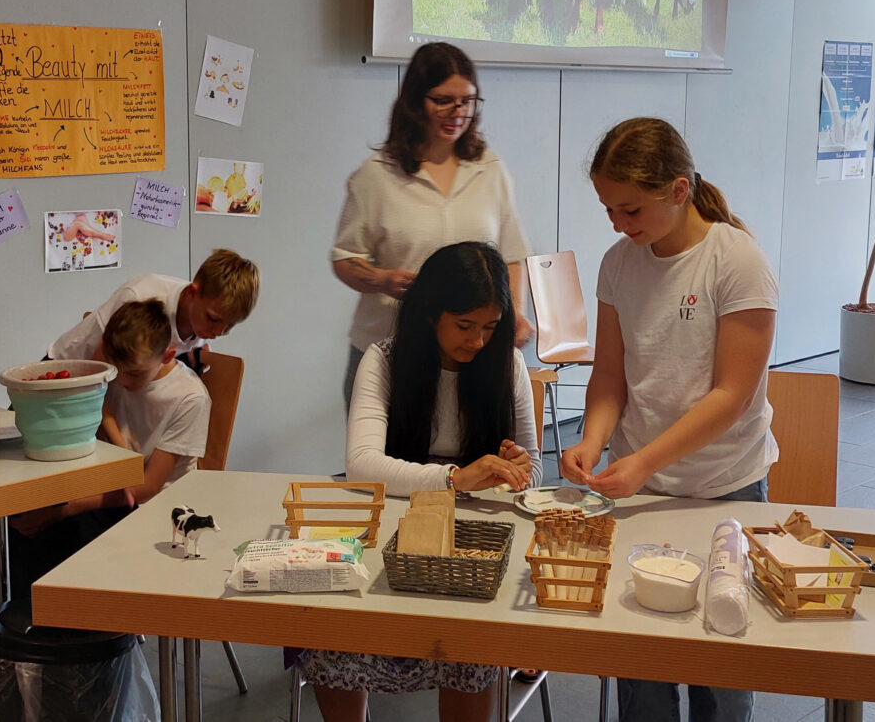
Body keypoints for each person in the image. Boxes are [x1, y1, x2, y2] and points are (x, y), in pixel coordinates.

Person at [560, 117, 779, 722]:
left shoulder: (736, 261)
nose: (618, 224)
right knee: (645, 669)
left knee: (722, 662)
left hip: (725, 487)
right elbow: (610, 376)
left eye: (630, 210)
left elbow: (731, 396)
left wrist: (642, 461)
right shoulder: (619, 263)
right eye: (608, 209)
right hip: (644, 491)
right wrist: (595, 440)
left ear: (679, 191)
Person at [302, 242, 544, 722]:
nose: (477, 342)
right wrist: (455, 478)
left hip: (473, 548)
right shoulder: (386, 359)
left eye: (490, 328)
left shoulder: (505, 363)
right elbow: (363, 464)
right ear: (431, 314)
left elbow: (535, 467)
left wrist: (515, 467)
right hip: (393, 532)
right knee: (337, 638)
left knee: (474, 646)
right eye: (464, 326)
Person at [331, 42, 533, 415]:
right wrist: (382, 279)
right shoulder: (376, 175)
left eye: (468, 102)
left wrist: (514, 313)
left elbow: (512, 256)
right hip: (390, 350)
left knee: (472, 463)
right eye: (443, 100)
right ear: (414, 101)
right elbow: (345, 258)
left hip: (470, 355)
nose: (457, 113)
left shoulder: (490, 170)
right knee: (389, 466)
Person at [8, 299, 211, 593]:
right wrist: (117, 445)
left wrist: (62, 510)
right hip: (110, 486)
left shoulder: (189, 398)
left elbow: (145, 489)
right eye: (117, 370)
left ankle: (76, 624)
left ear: (168, 356)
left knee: (49, 536)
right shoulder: (118, 371)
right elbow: (116, 447)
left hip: (154, 511)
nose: (123, 380)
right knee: (1, 521)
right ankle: (43, 618)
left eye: (134, 374)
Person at [49, 247, 259, 366]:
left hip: (115, 386)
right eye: (213, 319)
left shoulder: (205, 315)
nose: (218, 332)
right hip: (65, 370)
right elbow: (100, 368)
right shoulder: (139, 297)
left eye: (230, 327)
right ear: (193, 293)